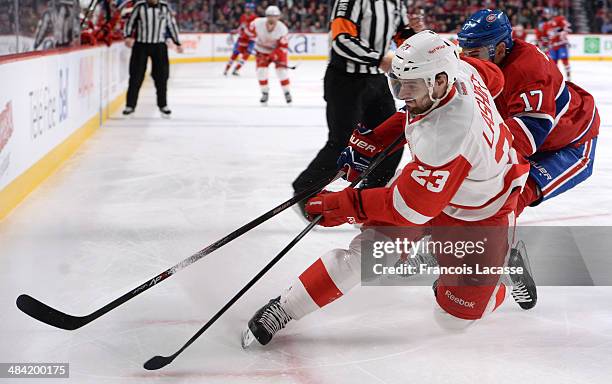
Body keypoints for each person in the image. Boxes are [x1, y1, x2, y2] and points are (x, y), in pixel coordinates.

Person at [242, 31, 535, 348]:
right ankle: (283, 309)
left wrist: (343, 204)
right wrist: (376, 140)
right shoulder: (459, 70)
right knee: (368, 253)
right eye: (399, 83)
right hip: (439, 179)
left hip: (482, 210)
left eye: (412, 85)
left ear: (439, 80)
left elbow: (411, 207)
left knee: (453, 319)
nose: (403, 94)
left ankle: (501, 270)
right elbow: (493, 78)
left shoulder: (448, 132)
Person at [457, 9, 599, 216]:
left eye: (475, 54)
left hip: (571, 143)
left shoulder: (528, 70)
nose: (467, 61)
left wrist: (475, 158)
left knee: (512, 197)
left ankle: (492, 247)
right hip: (538, 135)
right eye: (464, 52)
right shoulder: (488, 62)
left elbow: (529, 132)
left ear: (500, 49)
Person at [291, 0, 419, 219]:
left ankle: (371, 193)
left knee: (392, 139)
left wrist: (413, 38)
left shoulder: (396, 2)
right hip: (345, 81)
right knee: (342, 142)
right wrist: (380, 59)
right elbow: (342, 40)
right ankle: (305, 192)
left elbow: (400, 33)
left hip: (376, 80)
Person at [122, 0, 183, 118]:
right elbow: (130, 22)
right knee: (136, 76)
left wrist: (177, 42)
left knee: (162, 77)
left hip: (159, 46)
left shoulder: (165, 7)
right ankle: (130, 105)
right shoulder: (139, 6)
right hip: (141, 45)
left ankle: (163, 105)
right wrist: (128, 36)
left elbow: (171, 25)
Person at [246, 5, 291, 105]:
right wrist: (249, 44)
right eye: (270, 16)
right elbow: (248, 33)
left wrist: (273, 55)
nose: (272, 18)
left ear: (278, 17)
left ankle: (286, 92)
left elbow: (283, 46)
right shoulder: (257, 23)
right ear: (266, 16)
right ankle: (264, 93)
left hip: (277, 51)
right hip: (261, 50)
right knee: (261, 72)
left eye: (274, 16)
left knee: (281, 72)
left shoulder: (282, 29)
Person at [223, 2, 257, 76]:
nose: (246, 9)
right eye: (246, 8)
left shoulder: (255, 19)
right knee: (235, 54)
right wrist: (236, 31)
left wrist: (246, 31)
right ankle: (226, 69)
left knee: (246, 55)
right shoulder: (243, 16)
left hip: (250, 41)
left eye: (248, 8)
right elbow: (241, 27)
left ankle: (236, 69)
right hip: (242, 39)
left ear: (252, 9)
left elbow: (253, 32)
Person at [542, 15, 572, 81]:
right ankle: (555, 78)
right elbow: (544, 37)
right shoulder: (545, 26)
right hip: (552, 47)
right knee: (553, 64)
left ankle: (569, 78)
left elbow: (568, 28)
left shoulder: (559, 19)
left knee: (565, 61)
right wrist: (545, 44)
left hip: (561, 45)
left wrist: (560, 31)